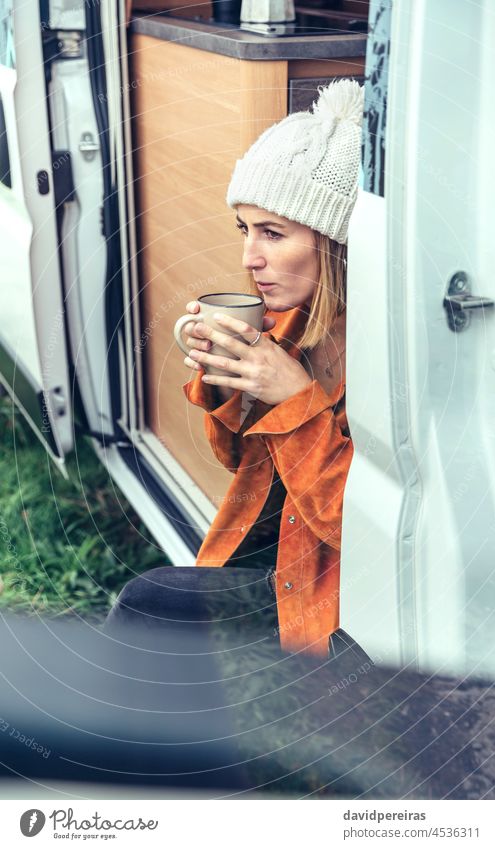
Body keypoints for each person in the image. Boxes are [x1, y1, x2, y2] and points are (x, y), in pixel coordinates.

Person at [106, 79, 364, 658]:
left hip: (329, 594)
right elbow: (236, 460)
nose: (250, 258)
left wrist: (297, 402)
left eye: (273, 233)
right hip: (270, 557)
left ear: (336, 243)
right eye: (245, 230)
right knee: (145, 604)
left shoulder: (391, 364)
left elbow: (361, 529)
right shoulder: (292, 329)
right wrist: (224, 381)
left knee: (148, 604)